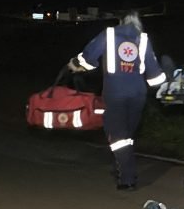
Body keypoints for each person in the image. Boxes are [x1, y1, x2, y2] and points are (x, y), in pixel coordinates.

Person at [68, 11, 166, 190]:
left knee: (117, 136)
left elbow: (89, 58)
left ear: (121, 20)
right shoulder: (143, 39)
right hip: (138, 94)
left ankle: (127, 178)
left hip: (115, 93)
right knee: (126, 135)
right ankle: (122, 167)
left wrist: (75, 64)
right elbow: (154, 74)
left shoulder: (109, 34)